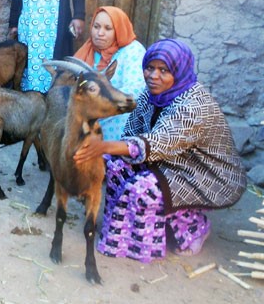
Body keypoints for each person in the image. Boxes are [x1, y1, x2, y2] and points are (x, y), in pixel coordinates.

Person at [74, 39, 247, 262]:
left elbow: (157, 143)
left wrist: (103, 147)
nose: (154, 76)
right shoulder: (151, 94)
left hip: (205, 174)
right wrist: (104, 155)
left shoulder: (194, 105)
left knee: (145, 189)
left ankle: (193, 229)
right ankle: (125, 233)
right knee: (117, 167)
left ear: (179, 70)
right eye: (150, 68)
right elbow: (133, 133)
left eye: (164, 70)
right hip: (170, 160)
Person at [74, 6, 146, 140]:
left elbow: (134, 90)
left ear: (118, 30)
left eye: (108, 28)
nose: (100, 33)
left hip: (118, 119)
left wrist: (99, 104)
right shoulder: (89, 49)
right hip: (87, 117)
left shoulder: (133, 51)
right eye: (96, 27)